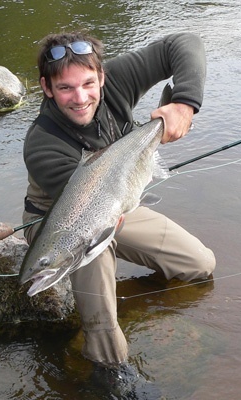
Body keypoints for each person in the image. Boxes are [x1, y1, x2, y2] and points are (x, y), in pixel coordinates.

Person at [22, 31, 216, 377]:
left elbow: (184, 44)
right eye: (65, 88)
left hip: (118, 198)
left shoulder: (117, 80)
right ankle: (108, 363)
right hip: (60, 219)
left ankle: (130, 307)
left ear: (102, 78)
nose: (80, 97)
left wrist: (184, 103)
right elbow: (86, 208)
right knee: (90, 249)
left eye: (87, 84)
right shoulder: (42, 143)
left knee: (199, 265)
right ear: (47, 88)